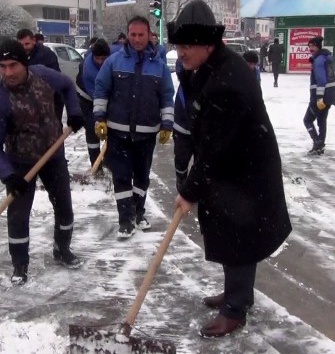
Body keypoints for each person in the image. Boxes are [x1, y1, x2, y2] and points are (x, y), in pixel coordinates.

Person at [167, 0, 292, 338]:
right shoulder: (207, 68)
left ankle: (235, 309)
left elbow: (213, 149)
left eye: (188, 45)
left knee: (239, 235)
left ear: (210, 43)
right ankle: (237, 292)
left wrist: (189, 190)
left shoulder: (228, 81)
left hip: (246, 171)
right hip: (233, 166)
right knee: (229, 234)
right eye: (179, 44)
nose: (181, 52)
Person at [0, 39, 85, 286]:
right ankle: (20, 264)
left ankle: (62, 249)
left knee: (64, 207)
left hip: (53, 154)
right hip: (20, 162)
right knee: (18, 216)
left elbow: (69, 86)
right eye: (3, 66)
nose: (8, 72)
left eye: (13, 65)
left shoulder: (44, 76)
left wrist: (74, 111)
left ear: (25, 64)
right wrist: (8, 175)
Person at [93, 16, 174, 238]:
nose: (137, 39)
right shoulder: (114, 61)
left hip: (146, 133)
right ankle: (125, 220)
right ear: (127, 35)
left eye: (141, 34)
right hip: (118, 131)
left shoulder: (159, 66)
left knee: (141, 177)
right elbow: (101, 90)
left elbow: (167, 96)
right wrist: (99, 118)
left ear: (149, 35)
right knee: (121, 176)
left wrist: (167, 123)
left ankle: (138, 213)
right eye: (133, 34)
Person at [76, 39, 111, 171]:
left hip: (103, 97)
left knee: (111, 129)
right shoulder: (88, 68)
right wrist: (100, 118)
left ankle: (108, 161)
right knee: (92, 129)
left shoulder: (112, 61)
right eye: (98, 58)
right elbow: (97, 95)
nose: (100, 62)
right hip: (87, 98)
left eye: (104, 58)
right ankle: (96, 166)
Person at [303, 36, 335, 155]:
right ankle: (320, 145)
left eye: (313, 46)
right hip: (330, 95)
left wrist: (319, 98)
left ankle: (317, 142)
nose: (310, 49)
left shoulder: (318, 61)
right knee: (322, 121)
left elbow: (321, 81)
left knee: (307, 120)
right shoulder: (325, 58)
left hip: (320, 97)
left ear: (318, 46)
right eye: (309, 47)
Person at [172, 58, 193, 191]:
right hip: (182, 127)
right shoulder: (185, 85)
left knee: (201, 161)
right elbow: (181, 65)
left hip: (201, 130)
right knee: (181, 158)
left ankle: (196, 186)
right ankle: (181, 178)